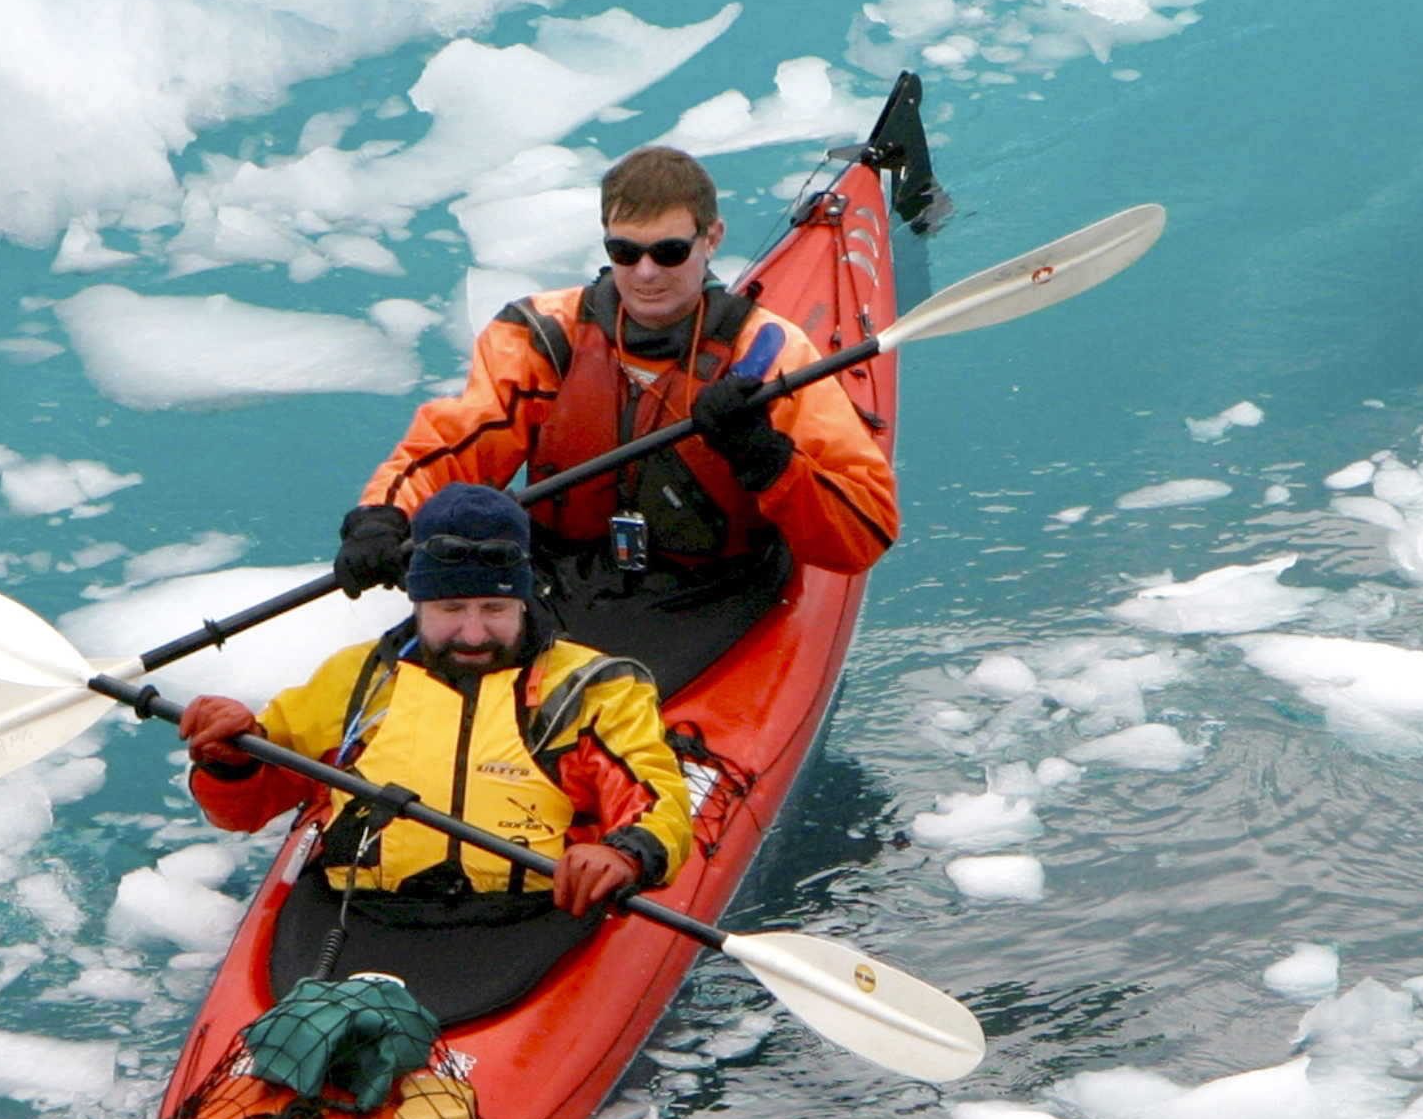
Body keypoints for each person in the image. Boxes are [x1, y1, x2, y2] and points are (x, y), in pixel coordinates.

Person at [332, 144, 898, 600]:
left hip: (716, 591)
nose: (646, 273)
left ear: (712, 239)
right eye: (625, 252)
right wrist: (384, 514)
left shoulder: (771, 357)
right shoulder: (544, 337)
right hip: (559, 581)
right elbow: (452, 446)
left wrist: (763, 456)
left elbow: (865, 531)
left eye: (670, 252)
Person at [175, 485, 693, 919]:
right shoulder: (357, 679)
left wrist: (625, 854)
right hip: (361, 914)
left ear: (525, 600)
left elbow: (660, 804)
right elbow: (243, 812)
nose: (473, 633)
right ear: (418, 601)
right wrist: (231, 764)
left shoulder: (596, 689)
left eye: (495, 607)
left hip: (535, 918)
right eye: (450, 608)